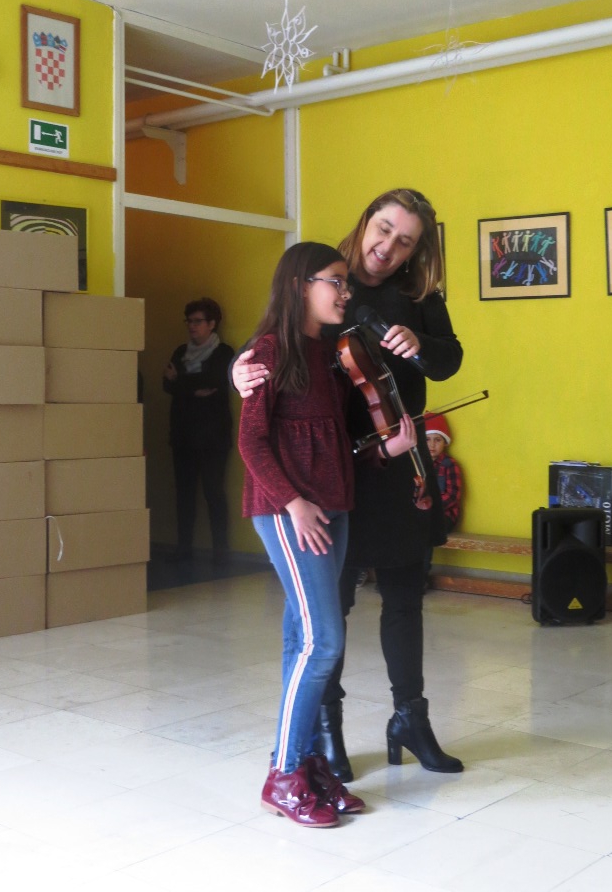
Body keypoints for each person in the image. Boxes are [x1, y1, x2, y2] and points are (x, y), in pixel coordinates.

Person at [233, 188, 464, 782]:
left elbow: (449, 360)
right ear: (365, 223)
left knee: (405, 593)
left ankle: (410, 719)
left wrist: (422, 345)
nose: (388, 247)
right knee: (333, 604)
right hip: (335, 466)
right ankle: (326, 730)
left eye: (405, 241)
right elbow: (280, 338)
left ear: (417, 251)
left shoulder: (419, 295)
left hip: (397, 453)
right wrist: (239, 368)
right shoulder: (328, 280)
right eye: (383, 229)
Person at [239, 241, 417, 828]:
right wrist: (293, 504)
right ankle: (283, 776)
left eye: (346, 283)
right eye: (334, 282)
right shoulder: (269, 352)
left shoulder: (328, 356)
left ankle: (307, 764)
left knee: (303, 639)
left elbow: (337, 445)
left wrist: (386, 451)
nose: (345, 292)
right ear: (300, 286)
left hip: (332, 508)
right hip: (291, 512)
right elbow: (251, 442)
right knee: (323, 643)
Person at [163, 297, 234, 561]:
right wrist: (193, 388)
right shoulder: (180, 351)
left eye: (197, 321)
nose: (192, 326)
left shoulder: (223, 352)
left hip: (213, 436)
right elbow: (166, 384)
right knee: (184, 494)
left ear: (212, 324)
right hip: (183, 435)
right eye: (189, 321)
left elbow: (214, 381)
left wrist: (180, 382)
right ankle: (183, 548)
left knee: (213, 492)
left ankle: (221, 551)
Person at [423, 413, 464, 587]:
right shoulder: (418, 464)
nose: (432, 445)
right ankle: (399, 576)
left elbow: (453, 495)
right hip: (423, 513)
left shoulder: (449, 464)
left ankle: (421, 577)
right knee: (408, 528)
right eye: (427, 439)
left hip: (444, 516)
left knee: (425, 530)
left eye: (437, 440)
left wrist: (431, 507)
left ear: (445, 442)